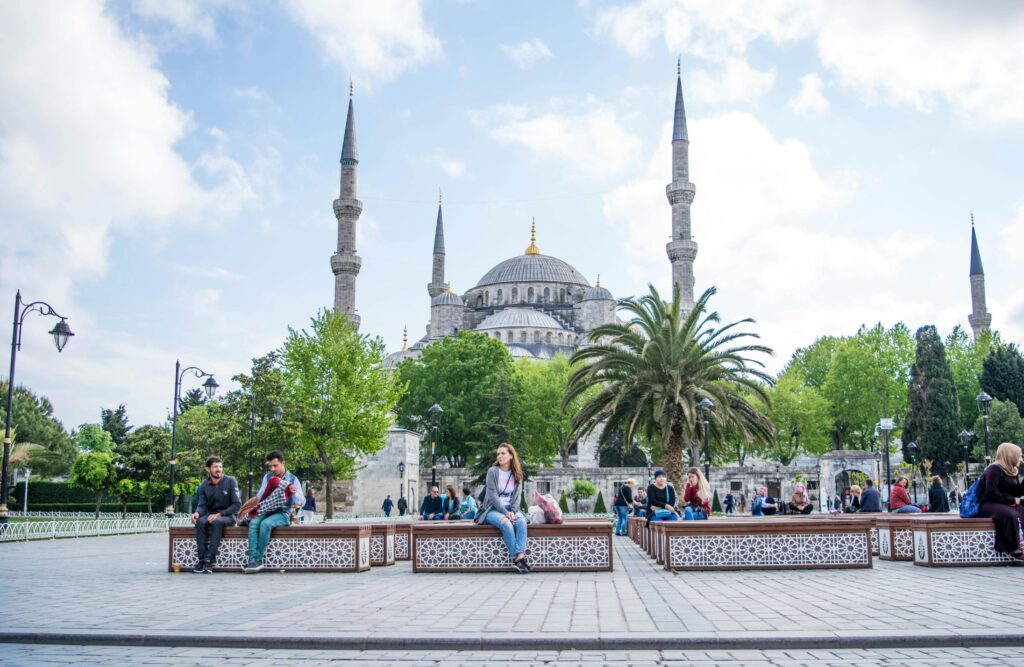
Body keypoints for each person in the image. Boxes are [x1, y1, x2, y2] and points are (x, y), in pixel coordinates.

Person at [242, 450, 305, 573]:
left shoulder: (293, 479)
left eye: (275, 465)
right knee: (254, 523)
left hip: (283, 513)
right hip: (266, 510)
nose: (272, 468)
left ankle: (257, 559)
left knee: (265, 524)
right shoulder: (268, 477)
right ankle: (253, 559)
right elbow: (260, 496)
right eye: (270, 466)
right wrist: (246, 508)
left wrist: (294, 492)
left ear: (283, 463)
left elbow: (301, 502)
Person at [476, 443, 530, 573]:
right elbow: (493, 496)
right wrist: (506, 513)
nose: (500, 456)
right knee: (507, 524)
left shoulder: (517, 474)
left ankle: (520, 557)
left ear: (511, 455)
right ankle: (517, 558)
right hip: (492, 509)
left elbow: (517, 498)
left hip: (511, 509)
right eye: (498, 454)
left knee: (521, 521)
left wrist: (513, 512)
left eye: (503, 453)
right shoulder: (492, 471)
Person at [191, 456, 241, 574]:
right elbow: (202, 504)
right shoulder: (204, 484)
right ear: (208, 469)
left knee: (217, 522)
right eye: (215, 467)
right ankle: (202, 559)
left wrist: (220, 514)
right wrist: (197, 513)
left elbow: (237, 504)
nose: (218, 469)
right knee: (200, 522)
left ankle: (209, 561)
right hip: (210, 515)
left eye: (220, 466)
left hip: (228, 516)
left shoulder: (230, 481)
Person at [976, 442, 1024, 559]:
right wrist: (1013, 500)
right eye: (1018, 455)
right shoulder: (994, 469)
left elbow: (1016, 492)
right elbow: (991, 493)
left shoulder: (1012, 470)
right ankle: (1014, 549)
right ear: (1009, 455)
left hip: (1005, 502)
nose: (1020, 458)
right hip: (989, 504)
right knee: (1009, 514)